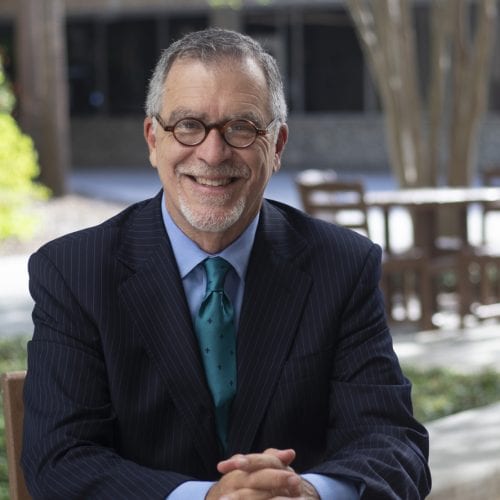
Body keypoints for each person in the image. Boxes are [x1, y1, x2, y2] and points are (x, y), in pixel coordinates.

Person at [22, 28, 431, 499]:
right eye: (188, 125)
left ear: (276, 146)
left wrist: (308, 493)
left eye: (241, 128)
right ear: (153, 138)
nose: (213, 154)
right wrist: (207, 497)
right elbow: (59, 459)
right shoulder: (74, 272)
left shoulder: (342, 265)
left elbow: (394, 444)